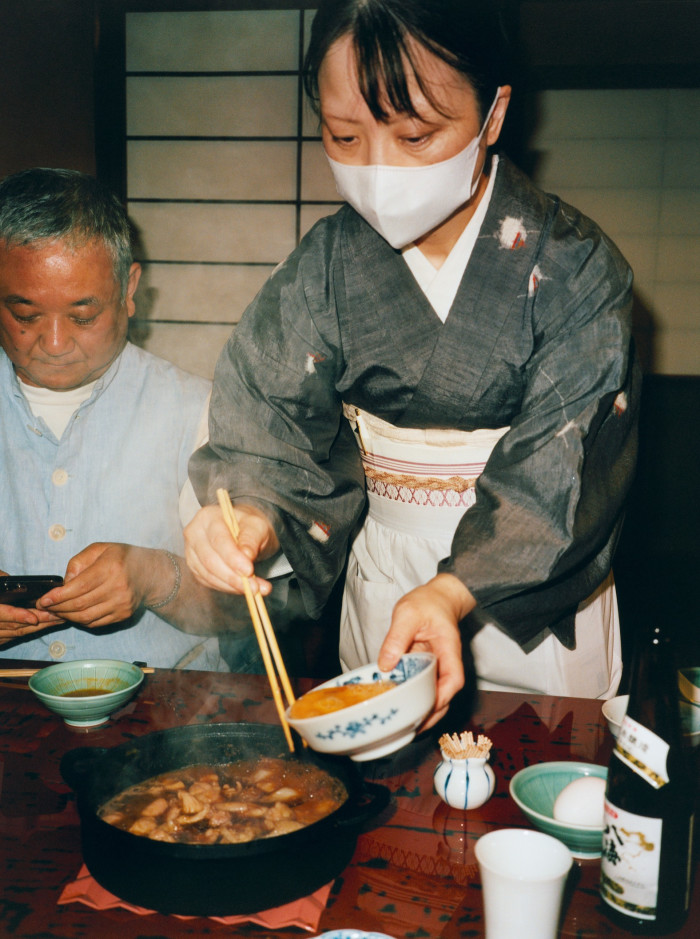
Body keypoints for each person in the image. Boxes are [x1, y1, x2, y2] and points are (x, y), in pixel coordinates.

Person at [184, 0, 641, 723]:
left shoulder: (574, 269)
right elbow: (266, 423)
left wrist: (452, 590)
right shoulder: (327, 268)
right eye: (344, 135)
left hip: (529, 601)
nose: (378, 169)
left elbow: (566, 470)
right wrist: (249, 518)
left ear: (492, 116)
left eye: (416, 134)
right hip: (386, 577)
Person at [0, 166, 253, 670]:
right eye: (25, 315)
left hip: (163, 708)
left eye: (83, 315)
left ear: (129, 287)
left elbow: (247, 612)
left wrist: (155, 579)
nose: (53, 343)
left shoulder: (197, 413)